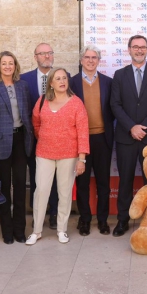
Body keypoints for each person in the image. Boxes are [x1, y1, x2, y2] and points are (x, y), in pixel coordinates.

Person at [26, 68, 90, 245]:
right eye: (58, 78)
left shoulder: (76, 103)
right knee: (41, 191)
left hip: (68, 155)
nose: (62, 81)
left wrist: (81, 159)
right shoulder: (42, 101)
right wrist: (48, 139)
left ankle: (62, 229)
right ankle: (36, 231)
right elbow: (36, 124)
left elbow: (83, 133)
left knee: (64, 192)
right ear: (51, 83)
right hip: (44, 153)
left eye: (64, 78)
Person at [110, 35, 147, 237]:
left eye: (143, 47)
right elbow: (115, 104)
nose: (139, 50)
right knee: (125, 180)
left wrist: (143, 127)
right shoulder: (119, 75)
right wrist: (131, 127)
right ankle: (122, 220)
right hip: (126, 137)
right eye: (135, 47)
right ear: (129, 49)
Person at [0, 51, 34, 244]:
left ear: (15, 66)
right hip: (0, 144)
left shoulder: (22, 86)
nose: (7, 67)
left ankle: (19, 229)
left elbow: (27, 114)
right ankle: (6, 230)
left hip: (21, 140)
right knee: (4, 188)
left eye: (10, 63)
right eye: (4, 63)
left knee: (20, 186)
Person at [70, 45, 115, 236]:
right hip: (81, 140)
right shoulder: (71, 82)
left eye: (94, 57)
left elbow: (113, 109)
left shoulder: (108, 82)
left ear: (98, 60)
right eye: (87, 57)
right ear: (81, 60)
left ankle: (103, 220)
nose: (90, 60)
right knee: (83, 183)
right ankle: (85, 219)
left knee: (103, 182)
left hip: (102, 138)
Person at [22, 43, 61, 230]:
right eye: (42, 53)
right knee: (37, 178)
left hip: (56, 140)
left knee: (55, 179)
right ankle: (38, 213)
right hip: (33, 138)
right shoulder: (24, 79)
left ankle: (54, 213)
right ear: (35, 57)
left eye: (49, 53)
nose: (47, 56)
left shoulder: (63, 78)